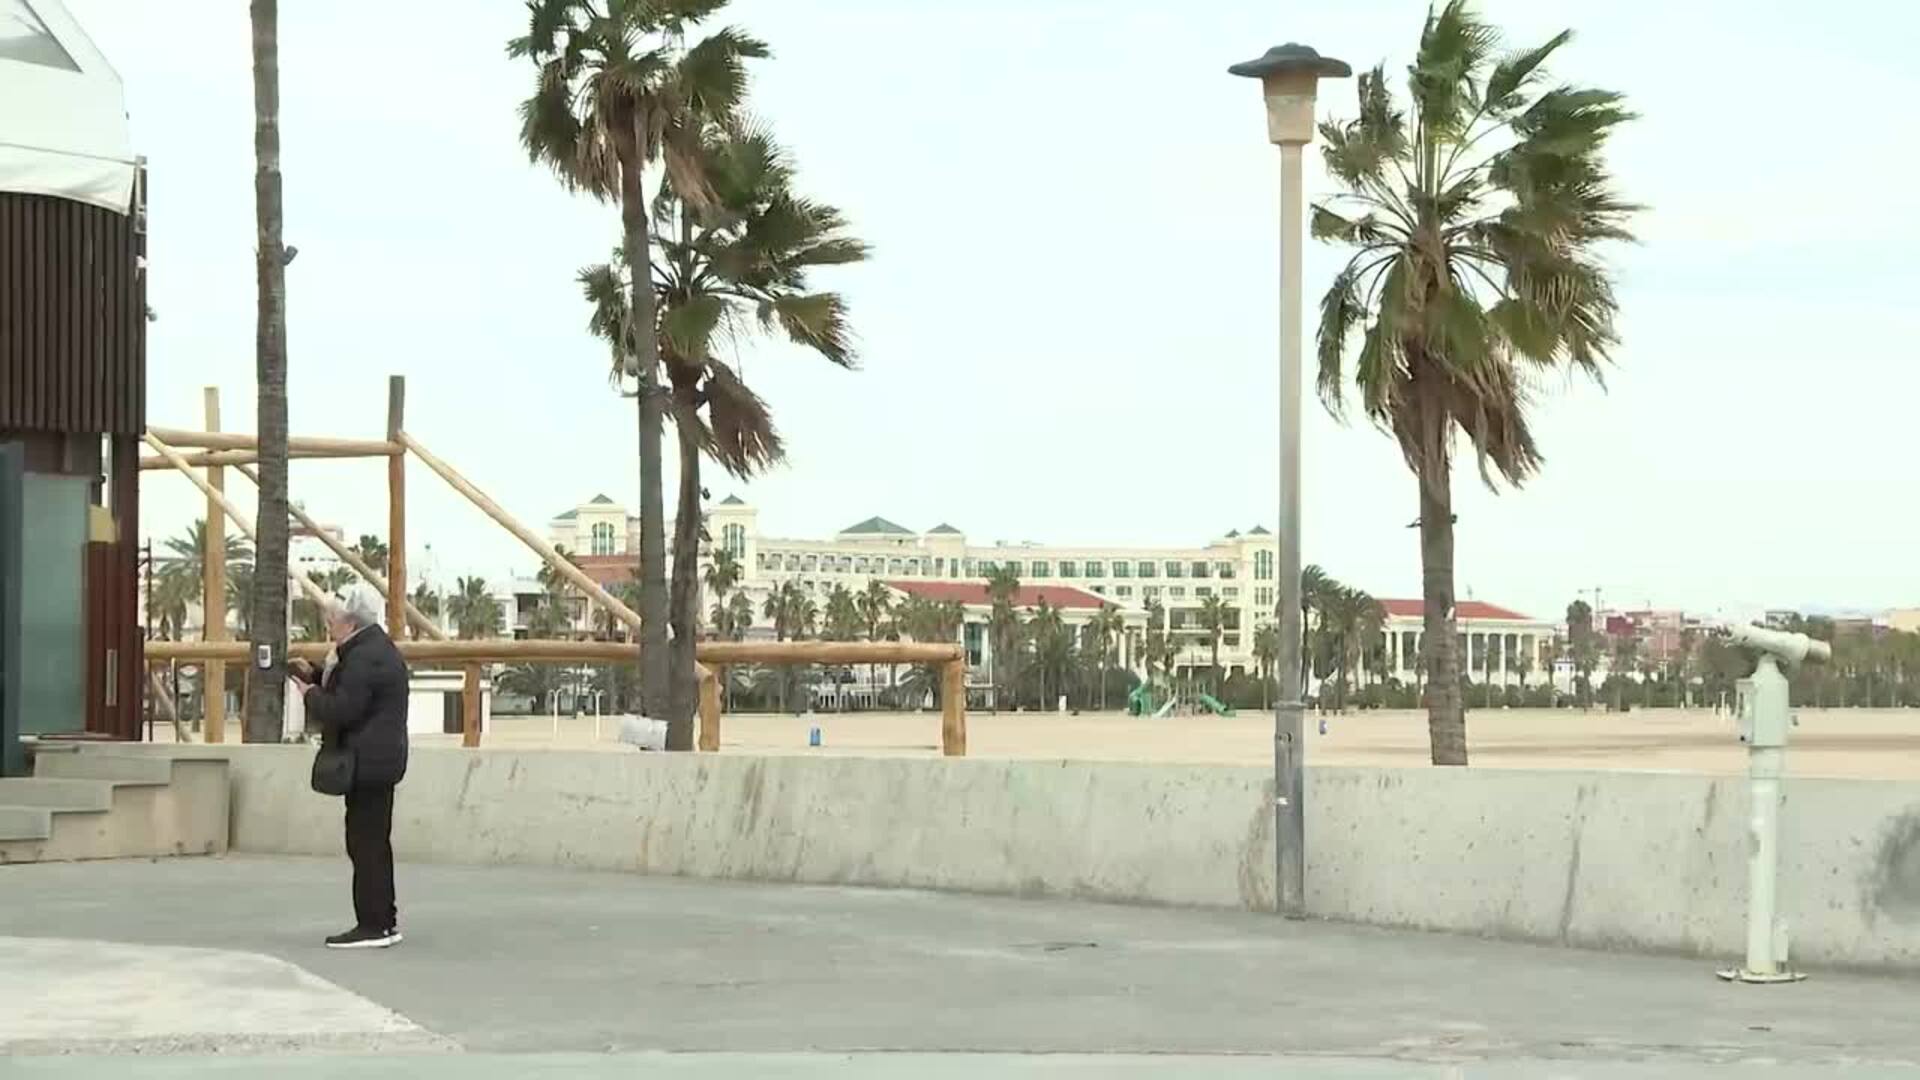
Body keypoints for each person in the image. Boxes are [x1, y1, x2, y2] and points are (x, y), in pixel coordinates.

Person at [291, 584, 409, 950]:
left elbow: (343, 709)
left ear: (352, 621)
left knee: (366, 844)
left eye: (333, 618)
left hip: (368, 763)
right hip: (379, 760)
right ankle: (383, 921)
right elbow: (350, 694)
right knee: (373, 842)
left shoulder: (364, 657)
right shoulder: (370, 650)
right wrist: (315, 676)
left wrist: (309, 695)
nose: (329, 623)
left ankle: (373, 925)